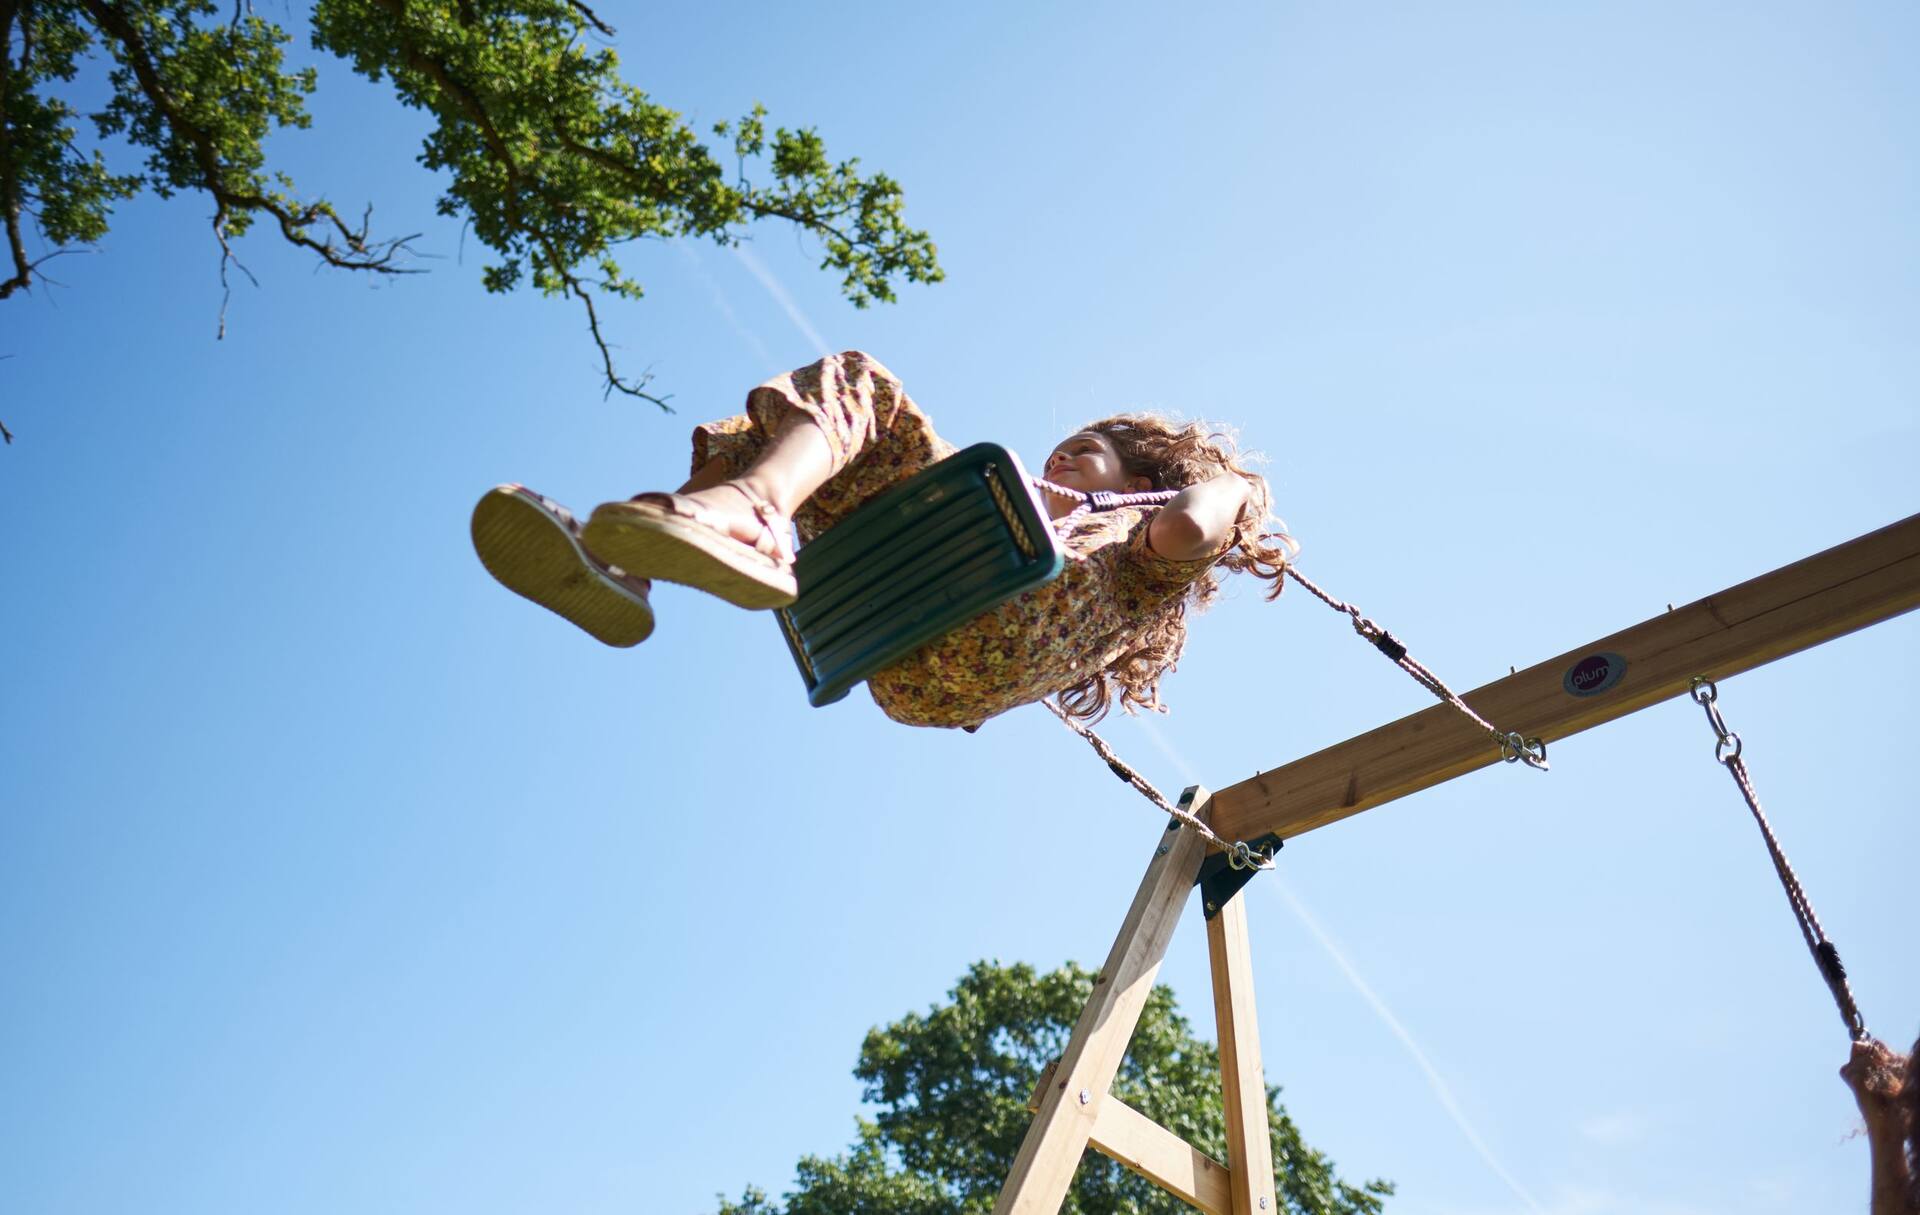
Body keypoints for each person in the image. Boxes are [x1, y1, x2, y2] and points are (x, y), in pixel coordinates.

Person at [471, 351, 1293, 730]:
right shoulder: (1033, 515)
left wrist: (1241, 490)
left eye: (1090, 450)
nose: (1063, 454)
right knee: (770, 434)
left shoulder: (1135, 555)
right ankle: (630, 561)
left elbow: (1189, 525)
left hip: (993, 622)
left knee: (867, 390)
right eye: (1062, 444)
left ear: (1141, 473)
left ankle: (754, 515)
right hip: (910, 670)